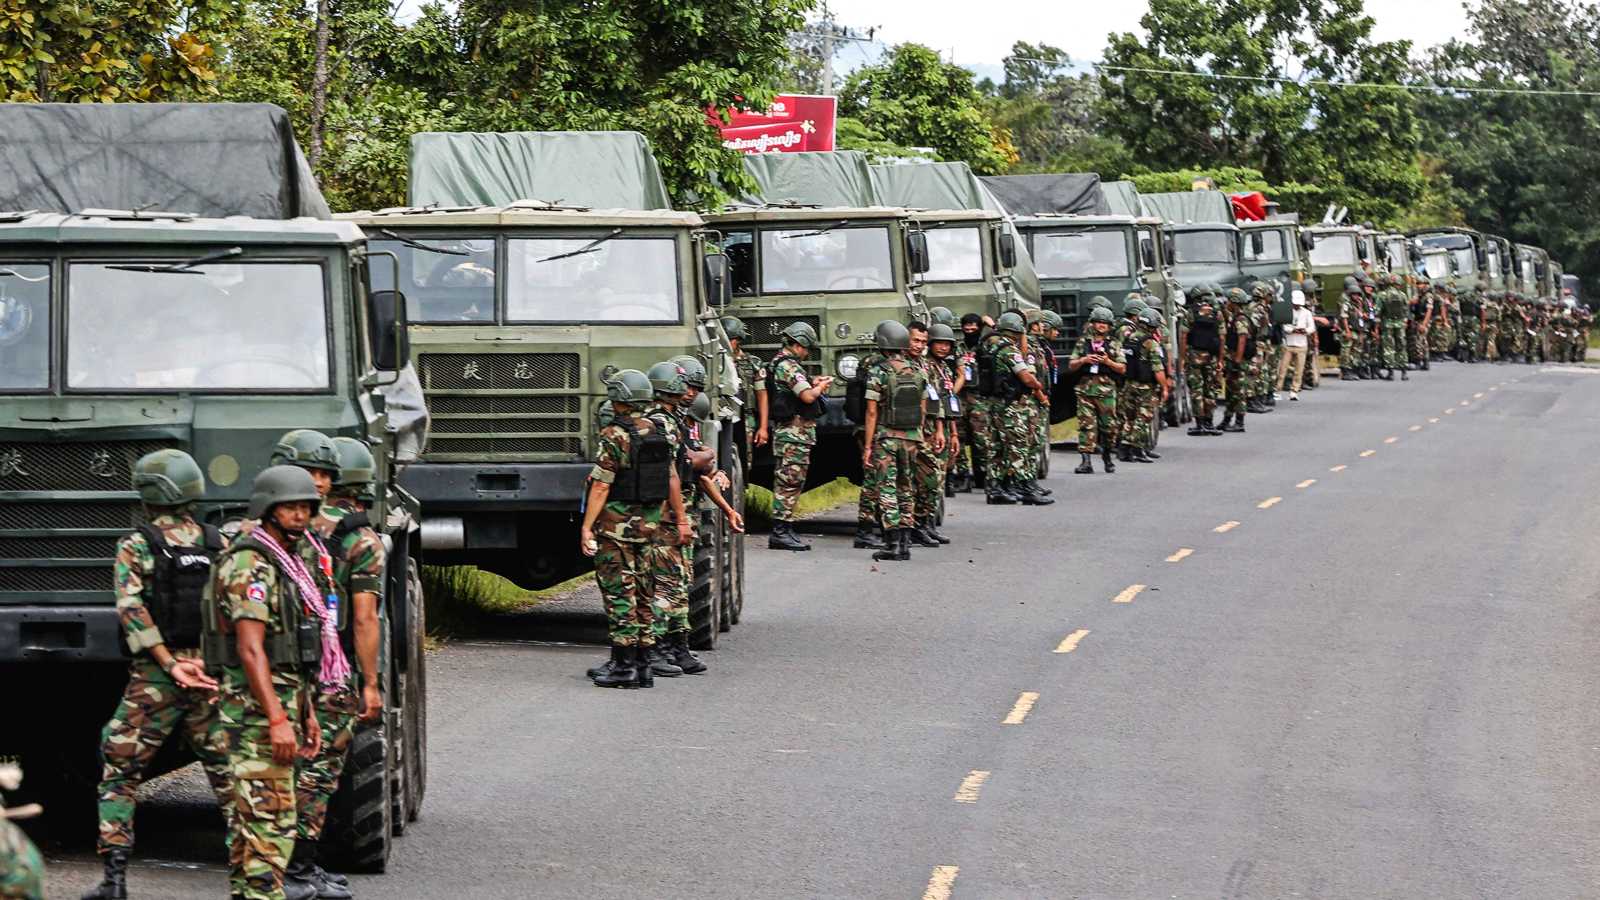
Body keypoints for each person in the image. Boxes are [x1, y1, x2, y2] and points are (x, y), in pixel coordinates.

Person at [83, 450, 230, 900]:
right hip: (209, 676)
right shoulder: (217, 542)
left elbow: (132, 612)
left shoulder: (136, 545)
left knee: (120, 770)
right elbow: (230, 609)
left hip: (156, 678)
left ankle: (115, 878)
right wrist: (210, 662)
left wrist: (169, 664)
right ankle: (260, 874)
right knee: (231, 774)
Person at [204, 465, 330, 900]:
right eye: (290, 507)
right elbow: (251, 648)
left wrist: (306, 714)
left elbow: (291, 654)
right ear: (267, 509)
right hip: (256, 717)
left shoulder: (285, 561)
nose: (299, 515)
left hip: (281, 706)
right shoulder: (250, 564)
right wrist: (277, 718)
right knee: (270, 826)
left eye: (305, 508)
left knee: (252, 827)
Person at [288, 437, 389, 899]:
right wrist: (370, 683)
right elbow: (365, 618)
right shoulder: (356, 538)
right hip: (329, 669)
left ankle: (290, 867)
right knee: (319, 769)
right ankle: (299, 868)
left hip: (274, 667)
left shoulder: (254, 530)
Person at [579, 370, 689, 687]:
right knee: (644, 594)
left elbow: (601, 486)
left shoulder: (615, 435)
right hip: (651, 528)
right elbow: (672, 480)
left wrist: (587, 528)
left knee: (619, 595)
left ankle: (623, 667)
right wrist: (680, 518)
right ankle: (643, 666)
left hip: (617, 529)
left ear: (620, 399)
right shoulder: (657, 431)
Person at [860, 320, 926, 561]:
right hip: (911, 438)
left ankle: (893, 543)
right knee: (906, 487)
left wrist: (867, 446)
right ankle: (906, 543)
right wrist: (917, 434)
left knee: (886, 489)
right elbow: (923, 405)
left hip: (886, 438)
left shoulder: (879, 372)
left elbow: (871, 412)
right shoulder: (918, 370)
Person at [765, 322, 831, 551]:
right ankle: (780, 530)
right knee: (789, 481)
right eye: (807, 348)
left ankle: (785, 526)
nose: (807, 352)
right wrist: (820, 387)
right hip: (793, 433)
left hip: (794, 432)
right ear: (799, 343)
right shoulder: (788, 366)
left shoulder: (781, 364)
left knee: (791, 480)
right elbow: (807, 397)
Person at [976, 312, 1052, 501]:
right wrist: (1037, 384)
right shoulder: (1009, 350)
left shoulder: (991, 345)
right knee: (1018, 444)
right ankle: (1025, 486)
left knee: (997, 447)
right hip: (1010, 405)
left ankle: (995, 489)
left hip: (995, 403)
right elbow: (1026, 376)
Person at [908, 321, 951, 547]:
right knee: (912, 482)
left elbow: (936, 401)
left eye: (923, 342)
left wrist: (940, 430)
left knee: (931, 479)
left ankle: (925, 524)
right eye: (915, 340)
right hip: (906, 431)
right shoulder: (899, 365)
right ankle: (914, 526)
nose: (919, 345)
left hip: (927, 431)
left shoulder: (925, 366)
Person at [1068, 305, 1125, 472]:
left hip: (1106, 390)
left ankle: (1107, 456)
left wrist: (1107, 362)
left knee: (1109, 426)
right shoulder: (1083, 342)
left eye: (1105, 323)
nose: (1101, 325)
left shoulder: (1114, 344)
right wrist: (1084, 360)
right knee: (1086, 425)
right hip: (1085, 389)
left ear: (1109, 326)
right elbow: (1071, 365)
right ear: (1092, 323)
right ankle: (1086, 461)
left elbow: (1122, 368)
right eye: (1098, 322)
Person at [1117, 308, 1169, 463]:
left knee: (1130, 418)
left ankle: (1125, 449)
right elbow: (1157, 368)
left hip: (1129, 384)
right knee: (1144, 417)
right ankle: (1135, 447)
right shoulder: (1150, 343)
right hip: (1145, 387)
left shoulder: (1129, 338)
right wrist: (1165, 387)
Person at [721, 316, 767, 469]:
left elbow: (762, 394)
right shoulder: (717, 362)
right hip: (721, 415)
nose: (728, 343)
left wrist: (763, 427)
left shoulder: (753, 363)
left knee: (744, 460)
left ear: (739, 340)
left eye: (732, 339)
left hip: (746, 417)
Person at [1182, 294, 1224, 435]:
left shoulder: (1191, 312)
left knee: (1196, 390)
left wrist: (1183, 357)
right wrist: (1220, 359)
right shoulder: (1217, 313)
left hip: (1194, 355)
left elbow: (1183, 335)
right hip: (1211, 356)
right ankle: (1209, 423)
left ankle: (1199, 424)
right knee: (1210, 389)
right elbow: (1222, 337)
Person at [1219, 288, 1253, 432]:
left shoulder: (1241, 319)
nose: (1227, 303)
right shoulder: (1235, 317)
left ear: (1234, 302)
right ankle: (1227, 420)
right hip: (1233, 358)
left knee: (1239, 392)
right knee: (1231, 391)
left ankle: (1239, 422)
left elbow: (1242, 339)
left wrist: (1238, 360)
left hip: (1239, 360)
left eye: (1229, 301)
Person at [1277, 293, 1314, 400]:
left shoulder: (1306, 313)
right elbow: (1283, 325)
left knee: (1299, 370)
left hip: (1301, 344)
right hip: (1288, 344)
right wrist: (1292, 330)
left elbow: (1311, 327)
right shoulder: (1287, 312)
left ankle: (1294, 391)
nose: (1297, 306)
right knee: (1282, 369)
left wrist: (1305, 331)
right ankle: (1278, 390)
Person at [1377, 273, 1409, 381]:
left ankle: (1391, 373)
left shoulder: (1382, 295)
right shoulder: (1403, 295)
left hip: (1387, 324)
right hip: (1400, 324)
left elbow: (1377, 311)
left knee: (1388, 348)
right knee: (1401, 346)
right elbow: (1406, 311)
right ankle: (1404, 372)